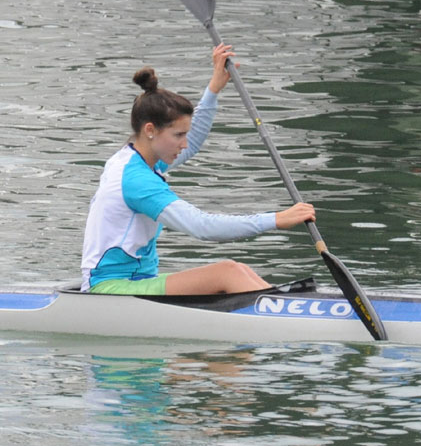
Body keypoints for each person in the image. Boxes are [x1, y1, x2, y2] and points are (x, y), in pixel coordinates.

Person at [80, 43, 316, 295]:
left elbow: (192, 144)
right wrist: (275, 220)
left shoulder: (133, 158)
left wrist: (213, 89)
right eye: (178, 135)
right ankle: (283, 310)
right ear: (150, 130)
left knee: (239, 269)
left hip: (135, 282)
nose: (184, 144)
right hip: (110, 289)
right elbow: (201, 226)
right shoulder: (136, 180)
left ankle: (281, 304)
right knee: (228, 272)